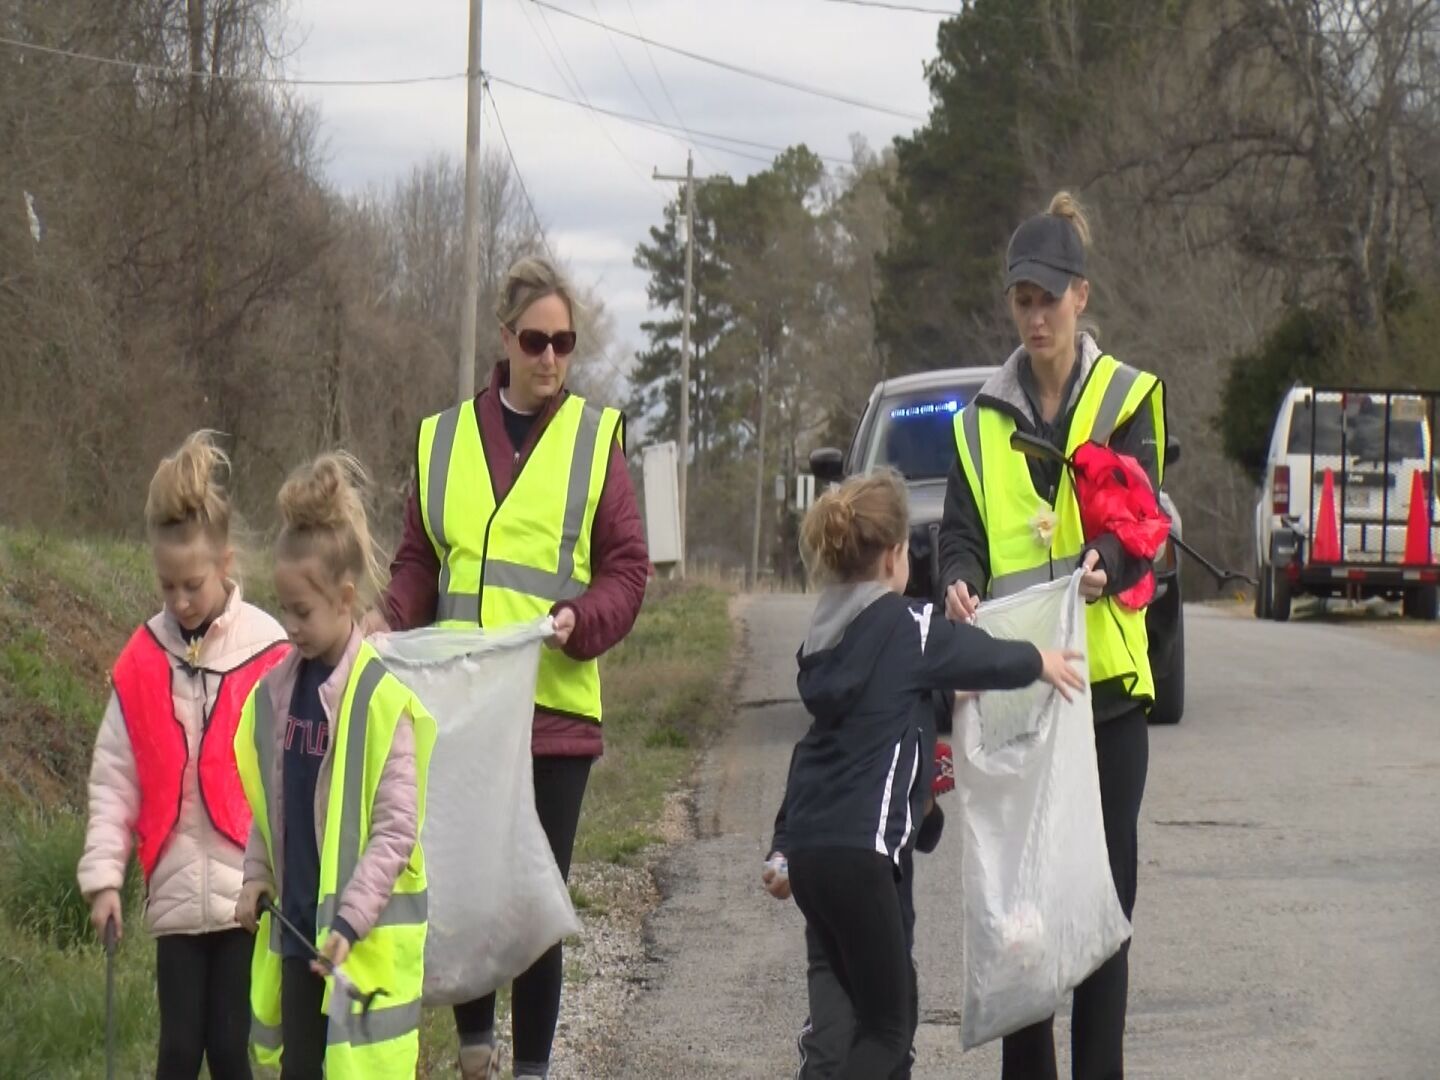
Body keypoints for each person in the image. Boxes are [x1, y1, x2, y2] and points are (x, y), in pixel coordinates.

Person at [368, 254, 649, 1080]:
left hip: (555, 711)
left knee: (531, 899)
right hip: (461, 707)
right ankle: (475, 1051)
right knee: (463, 881)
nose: (552, 358)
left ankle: (530, 1067)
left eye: (566, 342)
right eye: (537, 340)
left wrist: (580, 621)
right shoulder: (443, 438)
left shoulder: (597, 442)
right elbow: (418, 561)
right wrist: (386, 625)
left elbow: (627, 570)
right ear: (507, 339)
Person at [939, 191, 1167, 1080]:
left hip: (1106, 691)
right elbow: (958, 533)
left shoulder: (1126, 397)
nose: (1034, 315)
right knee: (1024, 915)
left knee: (1102, 908)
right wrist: (957, 577)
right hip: (1018, 695)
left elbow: (1145, 516)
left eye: (1049, 297)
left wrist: (1107, 554)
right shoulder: (977, 422)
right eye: (1020, 299)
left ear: (1081, 295)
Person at [781, 470, 1086, 1080]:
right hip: (863, 858)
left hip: (811, 858)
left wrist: (779, 845)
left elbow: (817, 751)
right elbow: (976, 652)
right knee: (889, 1030)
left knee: (872, 1011)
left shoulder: (823, 642)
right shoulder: (907, 625)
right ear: (896, 556)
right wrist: (1040, 660)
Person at [77, 431, 288, 1080]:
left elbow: (294, 770)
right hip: (172, 896)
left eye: (192, 584)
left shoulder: (270, 649)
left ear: (225, 564)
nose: (178, 601)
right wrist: (104, 879)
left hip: (243, 894)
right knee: (176, 1054)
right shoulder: (142, 660)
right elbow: (115, 779)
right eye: (166, 585)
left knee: (230, 1051)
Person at [234, 453, 436, 1079]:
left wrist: (351, 918)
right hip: (299, 938)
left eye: (302, 612)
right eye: (284, 608)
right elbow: (271, 807)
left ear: (346, 598)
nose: (289, 625)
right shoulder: (277, 694)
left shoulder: (380, 701)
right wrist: (254, 874)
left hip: (358, 945)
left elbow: (396, 829)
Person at [764, 770, 947, 1080]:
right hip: (832, 932)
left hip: (889, 932)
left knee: (891, 1052)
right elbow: (790, 819)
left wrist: (924, 800)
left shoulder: (901, 738)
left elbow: (926, 836)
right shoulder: (821, 742)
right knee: (828, 1051)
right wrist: (780, 858)